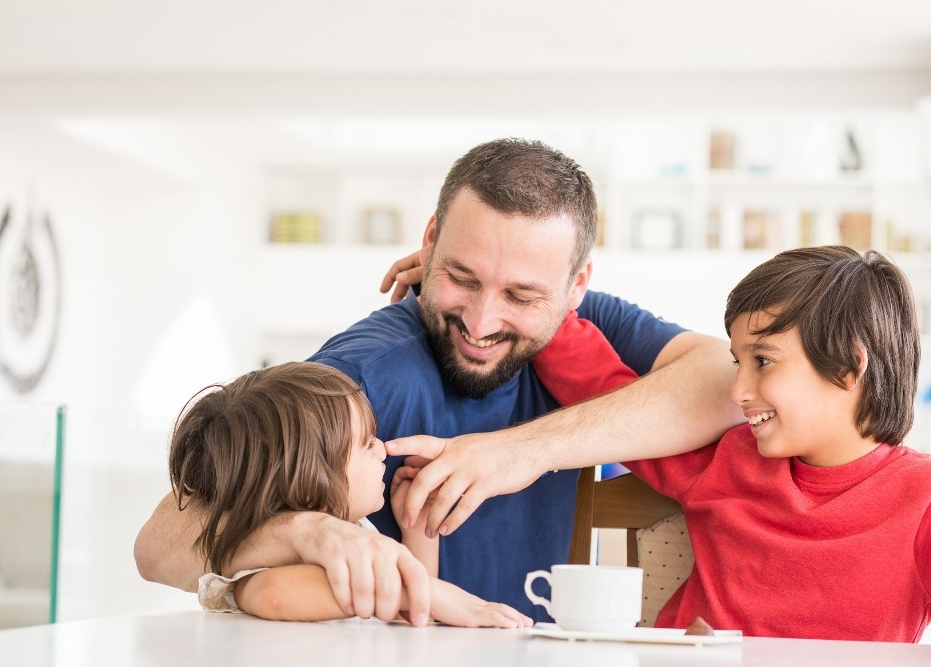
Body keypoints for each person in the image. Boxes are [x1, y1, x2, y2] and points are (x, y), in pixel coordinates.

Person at [135, 138, 742, 622]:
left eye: (521, 294)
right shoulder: (365, 373)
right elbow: (159, 547)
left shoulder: (584, 324)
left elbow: (726, 382)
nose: (481, 321)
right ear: (429, 242)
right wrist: (305, 529)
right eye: (462, 276)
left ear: (575, 285)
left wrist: (518, 452)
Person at [530, 246, 930, 642]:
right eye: (739, 363)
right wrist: (536, 302)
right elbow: (605, 393)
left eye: (763, 361)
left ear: (846, 367)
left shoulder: (922, 497)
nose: (737, 392)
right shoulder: (729, 459)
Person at [171, 361, 531, 628]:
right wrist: (432, 595)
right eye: (366, 443)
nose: (382, 449)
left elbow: (413, 615)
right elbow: (271, 594)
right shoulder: (272, 556)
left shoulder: (356, 533)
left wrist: (417, 530)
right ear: (309, 481)